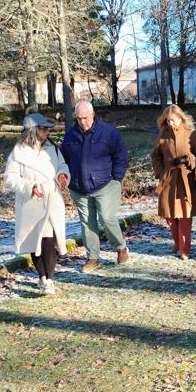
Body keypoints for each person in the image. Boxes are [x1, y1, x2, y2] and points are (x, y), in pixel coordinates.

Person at [3, 113, 70, 294]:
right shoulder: (18, 152)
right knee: (36, 241)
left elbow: (62, 165)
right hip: (32, 203)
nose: (47, 132)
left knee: (49, 240)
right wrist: (30, 186)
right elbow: (10, 177)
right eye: (44, 128)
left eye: (48, 128)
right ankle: (42, 276)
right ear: (33, 130)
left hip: (52, 198)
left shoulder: (53, 148)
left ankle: (49, 279)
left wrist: (63, 175)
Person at [60, 100, 130, 273]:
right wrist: (65, 177)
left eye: (85, 118)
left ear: (92, 115)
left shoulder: (108, 133)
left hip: (106, 184)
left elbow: (121, 154)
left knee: (107, 218)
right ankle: (93, 258)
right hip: (78, 188)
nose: (82, 122)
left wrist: (117, 177)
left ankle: (121, 247)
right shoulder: (70, 136)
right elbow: (63, 159)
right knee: (87, 223)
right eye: (78, 118)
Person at [151, 105, 196, 259]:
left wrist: (189, 159)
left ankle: (184, 248)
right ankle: (177, 242)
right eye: (167, 121)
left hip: (186, 179)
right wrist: (160, 171)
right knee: (169, 215)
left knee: (184, 214)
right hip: (168, 179)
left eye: (173, 120)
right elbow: (155, 155)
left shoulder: (191, 133)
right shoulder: (163, 134)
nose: (170, 123)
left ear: (181, 118)